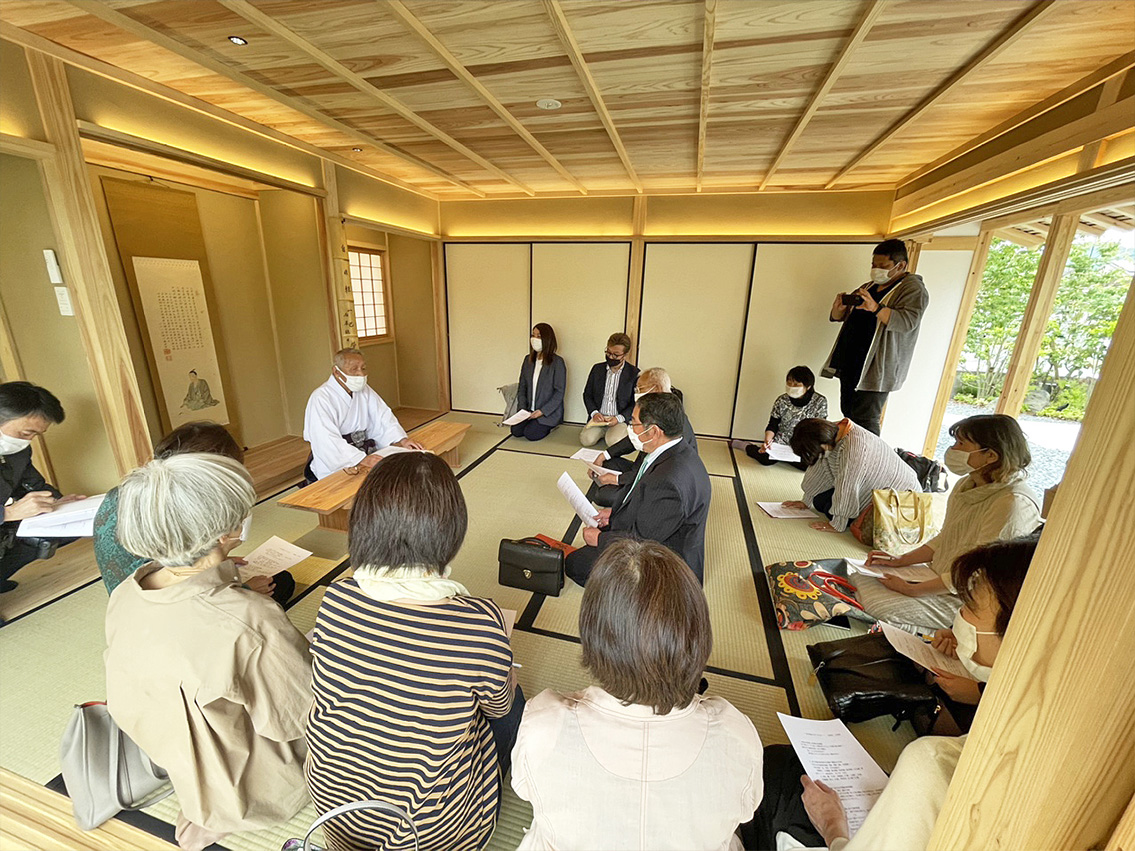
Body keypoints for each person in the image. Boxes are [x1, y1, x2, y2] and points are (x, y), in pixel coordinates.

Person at [755, 535, 1039, 851]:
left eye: (969, 606)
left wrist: (833, 828)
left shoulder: (933, 764)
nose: (960, 616)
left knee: (775, 770)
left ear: (1019, 630)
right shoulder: (1035, 719)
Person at [306, 452, 523, 851]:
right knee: (513, 698)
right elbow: (498, 708)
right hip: (430, 833)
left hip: (336, 815)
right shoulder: (479, 621)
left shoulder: (336, 597)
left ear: (365, 524)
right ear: (452, 532)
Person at [106, 454, 311, 851]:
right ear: (225, 533)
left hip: (175, 756)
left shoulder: (128, 592)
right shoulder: (250, 617)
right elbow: (299, 716)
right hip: (249, 780)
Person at [512, 539, 763, 850]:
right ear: (697, 634)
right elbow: (747, 808)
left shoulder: (544, 723)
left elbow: (523, 788)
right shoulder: (737, 735)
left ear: (592, 634)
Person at [856, 414, 1041, 631]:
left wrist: (912, 589)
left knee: (877, 606)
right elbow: (946, 536)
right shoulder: (967, 483)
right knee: (861, 578)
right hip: (940, 575)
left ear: (990, 456)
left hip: (969, 598)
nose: (953, 449)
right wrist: (901, 560)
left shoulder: (1013, 502)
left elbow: (980, 572)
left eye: (961, 443)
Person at [92, 421, 294, 604]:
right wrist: (245, 589)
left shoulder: (128, 491)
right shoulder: (179, 502)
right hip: (163, 600)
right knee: (279, 584)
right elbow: (175, 582)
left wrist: (215, 559)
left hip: (129, 596)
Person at [565, 392, 711, 585]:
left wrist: (600, 539)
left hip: (668, 566)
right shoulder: (676, 451)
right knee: (594, 542)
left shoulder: (668, 482)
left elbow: (644, 541)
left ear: (654, 431)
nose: (630, 428)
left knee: (575, 564)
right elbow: (648, 503)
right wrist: (614, 513)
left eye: (633, 423)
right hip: (658, 531)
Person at [822, 239, 929, 435]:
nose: (876, 270)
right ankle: (850, 450)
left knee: (866, 419)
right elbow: (841, 317)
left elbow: (907, 322)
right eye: (874, 265)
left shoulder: (913, 288)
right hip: (851, 360)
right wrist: (839, 309)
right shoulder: (869, 285)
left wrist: (876, 308)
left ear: (901, 265)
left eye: (883, 266)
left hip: (875, 367)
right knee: (848, 413)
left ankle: (869, 454)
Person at [0, 382, 84, 593]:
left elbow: (34, 484)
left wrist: (57, 503)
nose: (28, 441)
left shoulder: (18, 452)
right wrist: (8, 513)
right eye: (25, 433)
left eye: (35, 435)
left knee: (60, 529)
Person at [303, 348, 423, 481]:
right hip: (337, 461)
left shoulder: (364, 391)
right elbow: (325, 439)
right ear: (336, 372)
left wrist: (401, 440)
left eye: (363, 368)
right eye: (354, 369)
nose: (360, 374)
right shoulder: (321, 398)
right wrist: (359, 459)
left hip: (364, 452)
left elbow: (382, 417)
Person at [788, 417, 919, 534]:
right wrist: (806, 501)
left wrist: (837, 524)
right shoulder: (831, 432)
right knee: (819, 501)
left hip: (899, 500)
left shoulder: (854, 448)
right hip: (870, 485)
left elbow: (848, 485)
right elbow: (820, 465)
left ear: (824, 445)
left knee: (831, 510)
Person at [591, 367, 697, 508]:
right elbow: (634, 438)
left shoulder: (672, 420)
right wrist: (604, 455)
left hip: (657, 480)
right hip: (642, 468)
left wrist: (617, 479)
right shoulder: (657, 409)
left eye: (640, 389)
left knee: (602, 496)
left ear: (657, 389)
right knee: (606, 464)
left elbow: (655, 472)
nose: (636, 393)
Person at [732, 366, 827, 469]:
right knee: (765, 459)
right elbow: (773, 424)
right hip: (782, 440)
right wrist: (768, 441)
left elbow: (819, 430)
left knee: (808, 465)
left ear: (808, 386)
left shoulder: (820, 402)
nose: (791, 386)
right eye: (789, 383)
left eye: (796, 384)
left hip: (804, 443)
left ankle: (786, 458)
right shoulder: (782, 400)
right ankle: (745, 446)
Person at [579, 332, 639, 447]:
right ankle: (603, 432)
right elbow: (587, 394)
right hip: (599, 418)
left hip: (619, 419)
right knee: (586, 440)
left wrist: (618, 418)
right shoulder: (597, 369)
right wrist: (594, 413)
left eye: (616, 355)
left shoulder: (633, 373)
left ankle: (615, 433)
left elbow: (636, 403)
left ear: (625, 355)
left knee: (613, 442)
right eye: (608, 352)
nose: (611, 357)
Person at [512, 323, 566, 442]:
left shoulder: (557, 362)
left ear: (547, 339)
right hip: (528, 410)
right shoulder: (528, 360)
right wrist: (522, 409)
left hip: (547, 412)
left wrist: (542, 411)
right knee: (516, 431)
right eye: (533, 335)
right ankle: (530, 421)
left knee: (531, 434)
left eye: (539, 336)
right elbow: (522, 387)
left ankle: (551, 426)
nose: (534, 339)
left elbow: (559, 392)